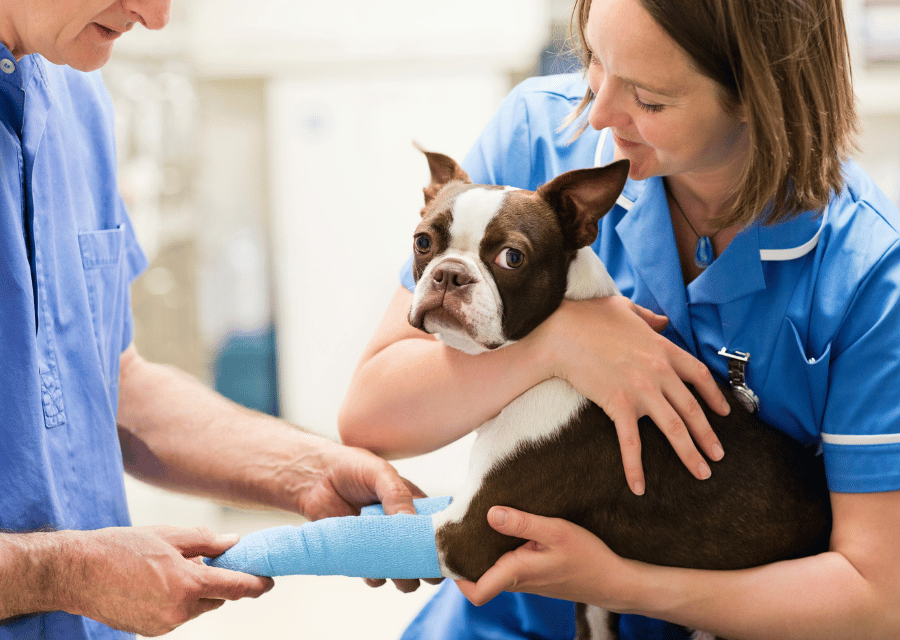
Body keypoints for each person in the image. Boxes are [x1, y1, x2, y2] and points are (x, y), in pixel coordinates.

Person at [338, 0, 900, 637]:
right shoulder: (540, 134)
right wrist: (560, 342)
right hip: (504, 613)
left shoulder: (868, 275)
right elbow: (370, 416)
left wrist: (621, 583)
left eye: (650, 98)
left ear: (757, 96)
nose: (599, 115)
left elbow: (876, 598)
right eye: (594, 63)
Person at [0, 0, 426, 638]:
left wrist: (304, 471)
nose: (156, 15)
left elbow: (110, 387)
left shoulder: (74, 97)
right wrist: (67, 574)